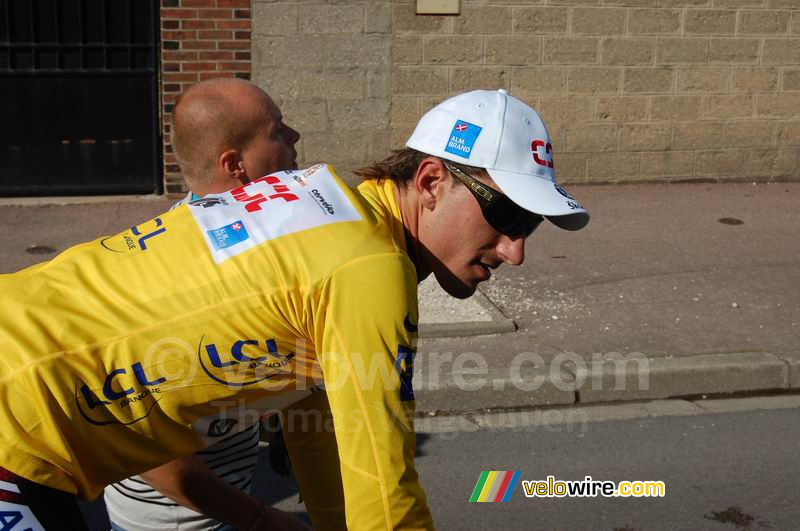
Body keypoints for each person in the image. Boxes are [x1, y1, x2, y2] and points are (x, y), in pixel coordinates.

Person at [0, 89, 588, 530]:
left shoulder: (329, 206)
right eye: (508, 217)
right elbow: (383, 484)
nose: (516, 250)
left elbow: (326, 434)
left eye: (530, 224)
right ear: (431, 180)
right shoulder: (370, 267)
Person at [102, 78, 306, 531]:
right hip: (174, 521)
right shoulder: (164, 278)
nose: (294, 138)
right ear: (235, 164)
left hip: (227, 500)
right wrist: (257, 518)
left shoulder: (254, 246)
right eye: (276, 132)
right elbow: (141, 441)